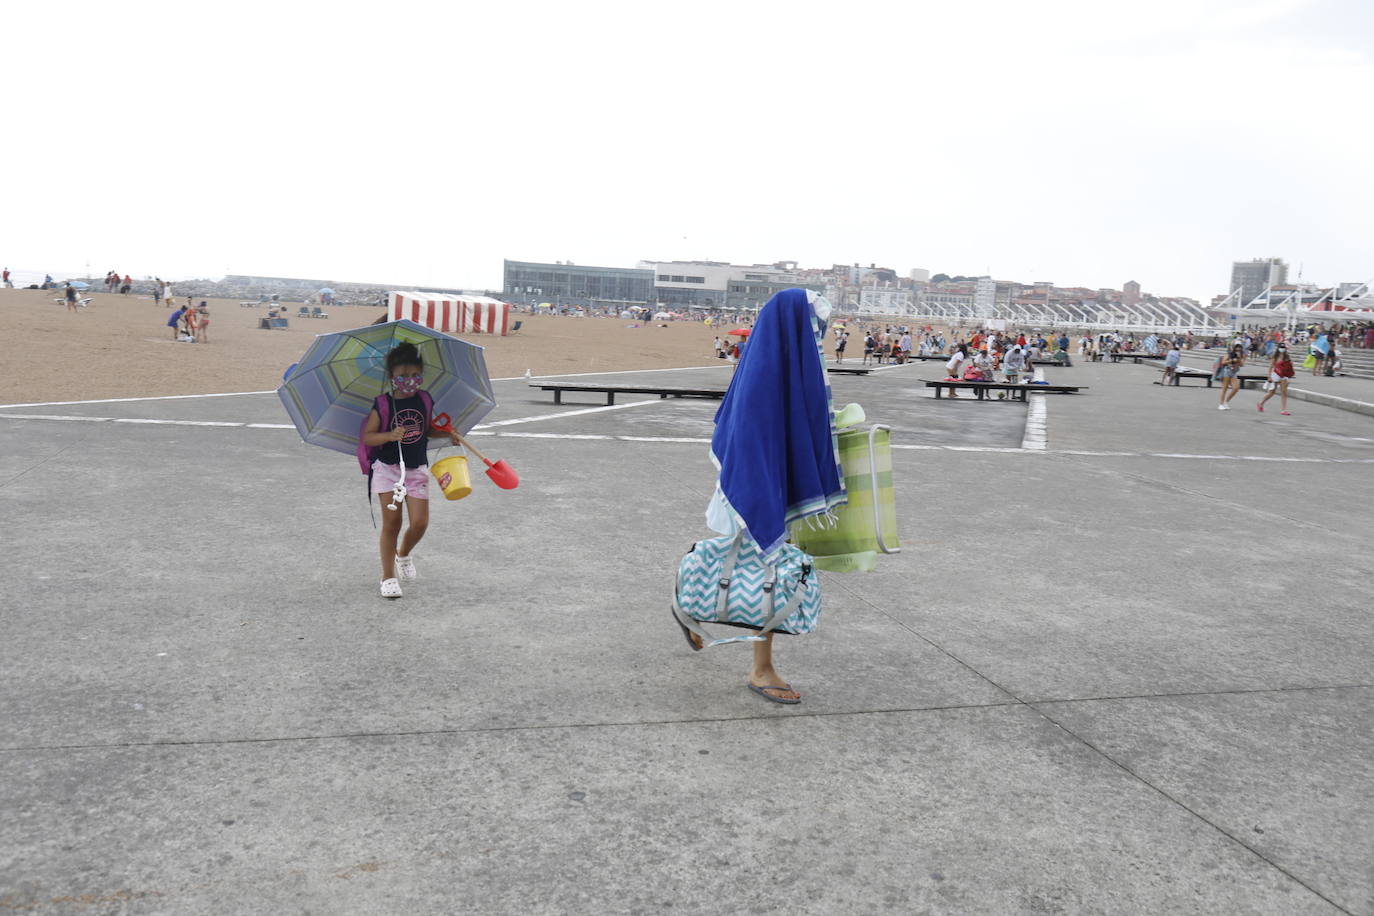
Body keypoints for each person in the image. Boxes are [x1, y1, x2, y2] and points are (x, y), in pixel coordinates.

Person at [683, 288, 842, 705]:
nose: (818, 330)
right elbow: (758, 428)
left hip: (759, 477)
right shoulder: (773, 364)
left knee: (750, 560)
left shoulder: (779, 358)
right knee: (767, 566)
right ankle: (760, 667)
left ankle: (692, 602)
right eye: (813, 322)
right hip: (755, 479)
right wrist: (767, 486)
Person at [359, 342, 461, 599]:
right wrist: (389, 435)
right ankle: (388, 576)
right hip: (387, 470)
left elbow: (426, 430)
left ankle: (403, 554)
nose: (409, 381)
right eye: (402, 376)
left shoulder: (424, 399)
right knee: (391, 524)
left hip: (416, 469)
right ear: (391, 377)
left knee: (419, 523)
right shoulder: (382, 404)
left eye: (415, 375)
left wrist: (448, 435)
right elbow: (368, 437)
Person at [1257, 345, 1294, 415]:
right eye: (1281, 347)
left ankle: (1283, 410)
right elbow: (1270, 367)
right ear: (1278, 348)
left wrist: (1289, 377)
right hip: (1275, 374)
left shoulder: (1287, 357)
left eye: (1283, 348)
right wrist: (1269, 376)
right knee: (1272, 392)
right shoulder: (1275, 356)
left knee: (1284, 392)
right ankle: (1261, 403)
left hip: (1284, 375)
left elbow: (1289, 367)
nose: (1282, 349)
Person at [1215, 343, 1245, 409]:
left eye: (1239, 350)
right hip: (1227, 371)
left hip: (1234, 373)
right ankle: (1221, 404)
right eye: (1237, 350)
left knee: (1236, 388)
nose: (1238, 351)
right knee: (1224, 388)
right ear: (1234, 349)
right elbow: (1223, 362)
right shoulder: (1229, 354)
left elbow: (1242, 365)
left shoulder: (1241, 356)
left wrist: (1239, 358)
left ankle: (1226, 402)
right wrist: (1231, 360)